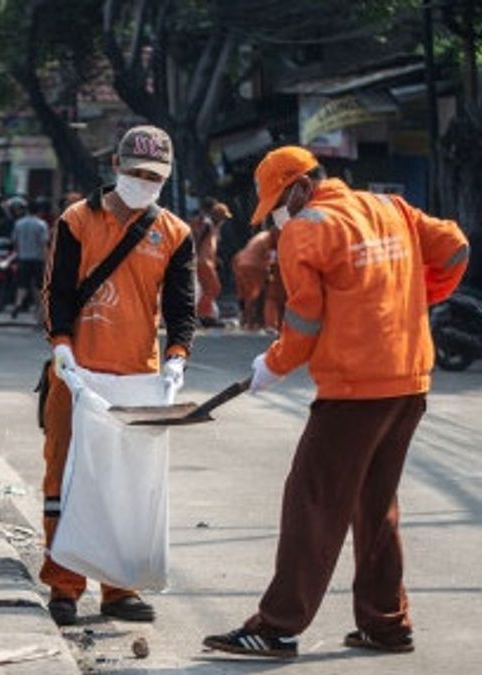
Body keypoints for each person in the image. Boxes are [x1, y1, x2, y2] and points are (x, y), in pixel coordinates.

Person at [202, 146, 468, 660]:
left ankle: (276, 627)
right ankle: (386, 624)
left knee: (313, 501)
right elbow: (455, 246)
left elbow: (304, 321)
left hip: (354, 389)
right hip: (410, 382)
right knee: (374, 504)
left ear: (301, 187)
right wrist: (418, 296)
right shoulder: (391, 206)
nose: (279, 216)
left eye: (279, 203)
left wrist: (272, 366)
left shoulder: (307, 227)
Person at [40, 126, 196, 626]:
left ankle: (119, 589)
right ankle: (63, 586)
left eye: (155, 177)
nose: (144, 182)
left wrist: (176, 355)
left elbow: (181, 305)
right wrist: (62, 348)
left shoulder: (174, 233)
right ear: (115, 166)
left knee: (125, 487)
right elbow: (57, 292)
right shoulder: (77, 220)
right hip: (75, 375)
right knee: (64, 480)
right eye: (136, 172)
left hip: (137, 379)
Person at [192, 197, 231, 327]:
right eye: (222, 217)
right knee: (214, 287)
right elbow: (199, 239)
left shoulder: (212, 226)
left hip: (206, 260)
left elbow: (208, 245)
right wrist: (195, 253)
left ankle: (204, 314)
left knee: (207, 289)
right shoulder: (208, 224)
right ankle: (202, 314)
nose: (223, 220)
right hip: (203, 261)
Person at [9, 196, 48, 320]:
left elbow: (14, 242)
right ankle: (38, 312)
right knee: (39, 286)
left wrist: (19, 253)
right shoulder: (41, 224)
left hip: (23, 258)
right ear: (39, 211)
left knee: (22, 285)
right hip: (37, 259)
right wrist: (47, 261)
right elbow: (43, 244)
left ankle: (18, 304)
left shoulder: (19, 223)